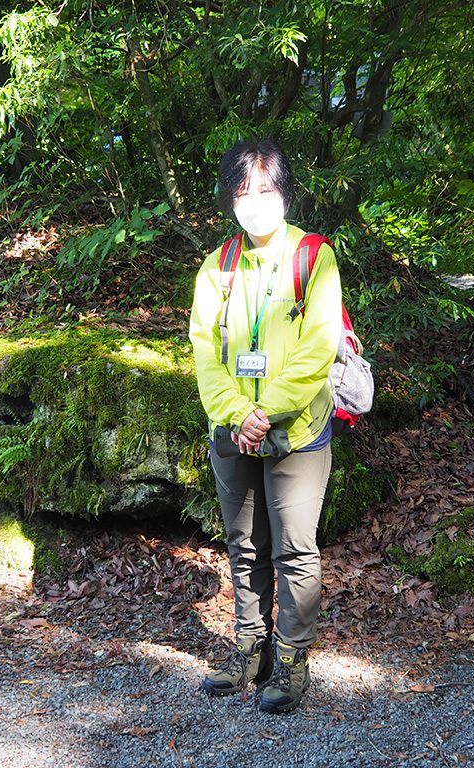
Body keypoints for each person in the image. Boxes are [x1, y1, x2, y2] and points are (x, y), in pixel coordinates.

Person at [188, 138, 342, 714]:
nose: (255, 201)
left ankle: (292, 659)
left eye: (267, 190)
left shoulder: (313, 258)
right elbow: (205, 351)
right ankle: (250, 651)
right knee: (244, 545)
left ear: (285, 193)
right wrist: (238, 416)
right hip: (234, 433)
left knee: (296, 550)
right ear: (230, 198)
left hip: (298, 433)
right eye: (243, 190)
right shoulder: (217, 267)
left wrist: (265, 411)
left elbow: (317, 349)